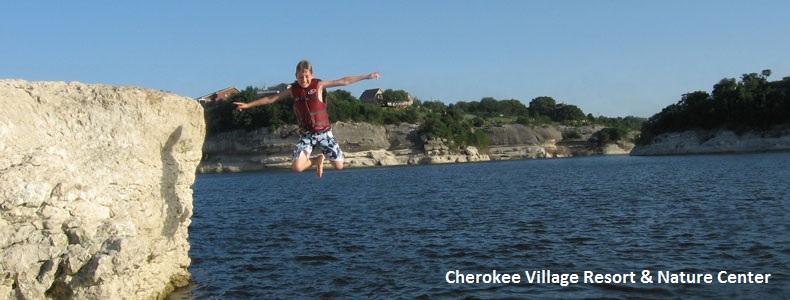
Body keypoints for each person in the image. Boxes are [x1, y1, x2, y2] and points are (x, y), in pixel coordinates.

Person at [234, 60, 380, 177]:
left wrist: (367, 76)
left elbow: (344, 81)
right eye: (300, 77)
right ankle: (316, 160)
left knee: (339, 166)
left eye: (306, 76)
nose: (303, 79)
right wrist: (248, 105)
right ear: (295, 76)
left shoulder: (319, 85)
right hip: (307, 135)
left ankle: (322, 159)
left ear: (312, 74)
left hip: (324, 133)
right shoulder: (293, 90)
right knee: (297, 167)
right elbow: (271, 99)